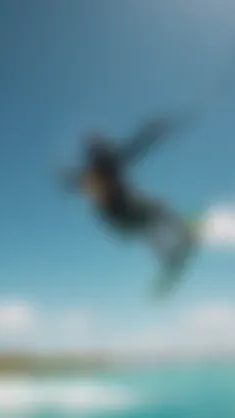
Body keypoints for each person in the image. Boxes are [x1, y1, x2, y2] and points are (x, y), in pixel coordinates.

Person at [61, 117, 197, 295]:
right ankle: (174, 244)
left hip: (118, 222)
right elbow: (136, 147)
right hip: (124, 215)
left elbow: (136, 146)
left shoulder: (99, 169)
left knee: (149, 225)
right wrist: (154, 131)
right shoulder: (103, 167)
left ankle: (168, 254)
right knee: (155, 213)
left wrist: (154, 131)